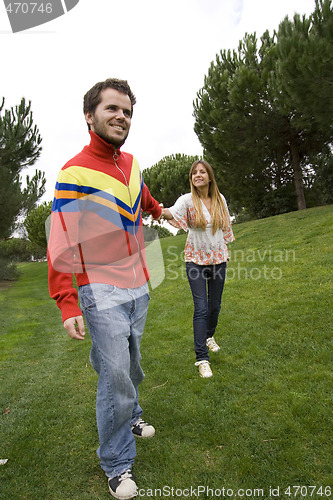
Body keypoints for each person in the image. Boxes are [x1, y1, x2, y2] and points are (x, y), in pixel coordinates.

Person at [47, 78, 162, 500]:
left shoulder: (131, 163)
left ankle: (131, 412)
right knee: (113, 372)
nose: (121, 117)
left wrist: (160, 209)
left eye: (127, 111)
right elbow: (61, 237)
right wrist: (67, 301)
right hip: (100, 289)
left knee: (129, 362)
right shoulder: (73, 171)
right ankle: (118, 463)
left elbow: (140, 196)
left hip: (139, 286)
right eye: (113, 109)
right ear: (90, 116)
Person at [161, 160, 234, 378]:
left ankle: (209, 336)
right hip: (195, 260)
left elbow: (226, 227)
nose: (198, 175)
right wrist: (154, 209)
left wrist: (224, 251)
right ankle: (202, 358)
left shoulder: (220, 199)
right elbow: (170, 213)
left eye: (202, 172)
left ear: (210, 177)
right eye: (194, 173)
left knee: (215, 306)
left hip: (218, 259)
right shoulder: (186, 200)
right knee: (201, 308)